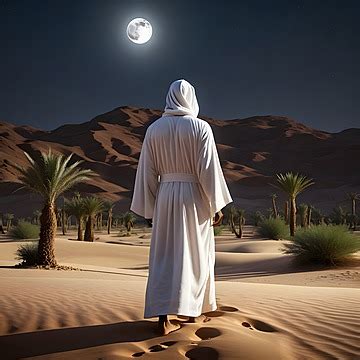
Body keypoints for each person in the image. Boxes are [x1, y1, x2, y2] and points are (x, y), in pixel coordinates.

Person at [130, 79, 233, 335]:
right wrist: (216, 204)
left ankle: (163, 319)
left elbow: (147, 171)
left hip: (166, 196)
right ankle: (190, 310)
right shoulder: (200, 128)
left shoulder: (154, 129)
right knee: (195, 254)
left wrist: (152, 206)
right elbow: (207, 169)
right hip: (194, 197)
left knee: (165, 256)